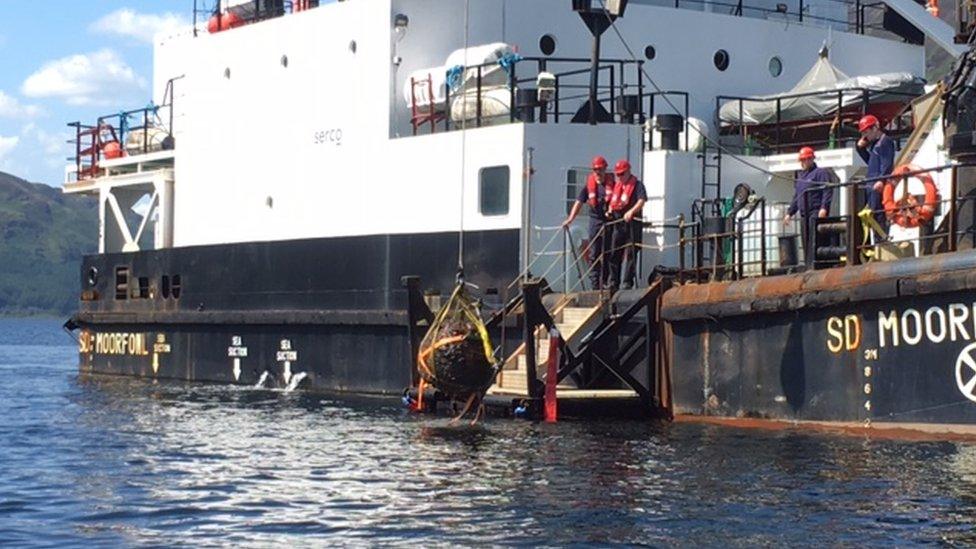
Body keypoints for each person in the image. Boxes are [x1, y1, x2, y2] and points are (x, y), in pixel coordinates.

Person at [563, 156, 613, 289]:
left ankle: (607, 282)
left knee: (609, 252)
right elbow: (579, 202)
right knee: (594, 253)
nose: (598, 172)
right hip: (595, 221)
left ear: (605, 169)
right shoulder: (589, 187)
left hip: (610, 222)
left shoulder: (611, 185)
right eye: (595, 170)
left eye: (600, 169)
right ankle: (595, 284)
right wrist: (570, 218)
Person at [783, 147, 834, 265]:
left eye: (805, 160)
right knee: (806, 240)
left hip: (815, 212)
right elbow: (797, 196)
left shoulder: (820, 173)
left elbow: (827, 191)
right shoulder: (801, 177)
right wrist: (789, 213)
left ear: (811, 159)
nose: (803, 163)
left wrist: (823, 208)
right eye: (802, 160)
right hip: (804, 214)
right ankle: (808, 263)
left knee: (816, 239)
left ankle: (820, 263)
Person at [606, 159, 647, 290]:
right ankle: (613, 282)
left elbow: (642, 200)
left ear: (629, 171)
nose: (620, 177)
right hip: (618, 225)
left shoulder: (638, 185)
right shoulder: (617, 187)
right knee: (614, 252)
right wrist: (610, 210)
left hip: (632, 225)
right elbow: (613, 202)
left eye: (622, 174)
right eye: (618, 174)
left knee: (630, 254)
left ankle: (627, 282)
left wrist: (631, 211)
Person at [855, 114, 895, 229]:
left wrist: (881, 180)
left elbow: (887, 163)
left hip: (877, 184)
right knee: (873, 215)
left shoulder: (885, 142)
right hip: (871, 184)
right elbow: (870, 161)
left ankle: (881, 241)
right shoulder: (874, 145)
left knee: (879, 216)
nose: (865, 136)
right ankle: (876, 241)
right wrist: (860, 148)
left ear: (875, 128)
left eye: (866, 132)